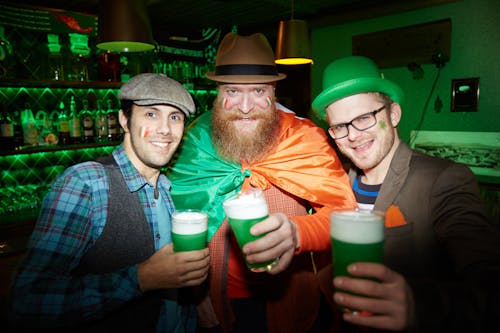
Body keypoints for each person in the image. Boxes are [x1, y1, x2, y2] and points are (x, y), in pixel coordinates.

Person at [167, 32, 357, 333]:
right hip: (212, 303)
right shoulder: (194, 139)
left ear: (274, 89)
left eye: (258, 90)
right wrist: (192, 294)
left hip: (290, 298)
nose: (245, 106)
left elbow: (345, 214)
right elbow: (169, 218)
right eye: (232, 91)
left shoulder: (305, 138)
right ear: (217, 92)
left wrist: (297, 233)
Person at [8, 73, 211, 333]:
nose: (165, 129)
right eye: (151, 114)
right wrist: (141, 278)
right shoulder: (87, 184)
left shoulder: (167, 189)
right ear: (124, 120)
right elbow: (27, 302)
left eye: (175, 117)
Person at [312, 55, 500, 333]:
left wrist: (420, 306)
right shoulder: (335, 184)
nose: (352, 135)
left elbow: (491, 286)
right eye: (340, 126)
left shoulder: (445, 180)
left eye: (364, 118)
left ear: (394, 114)